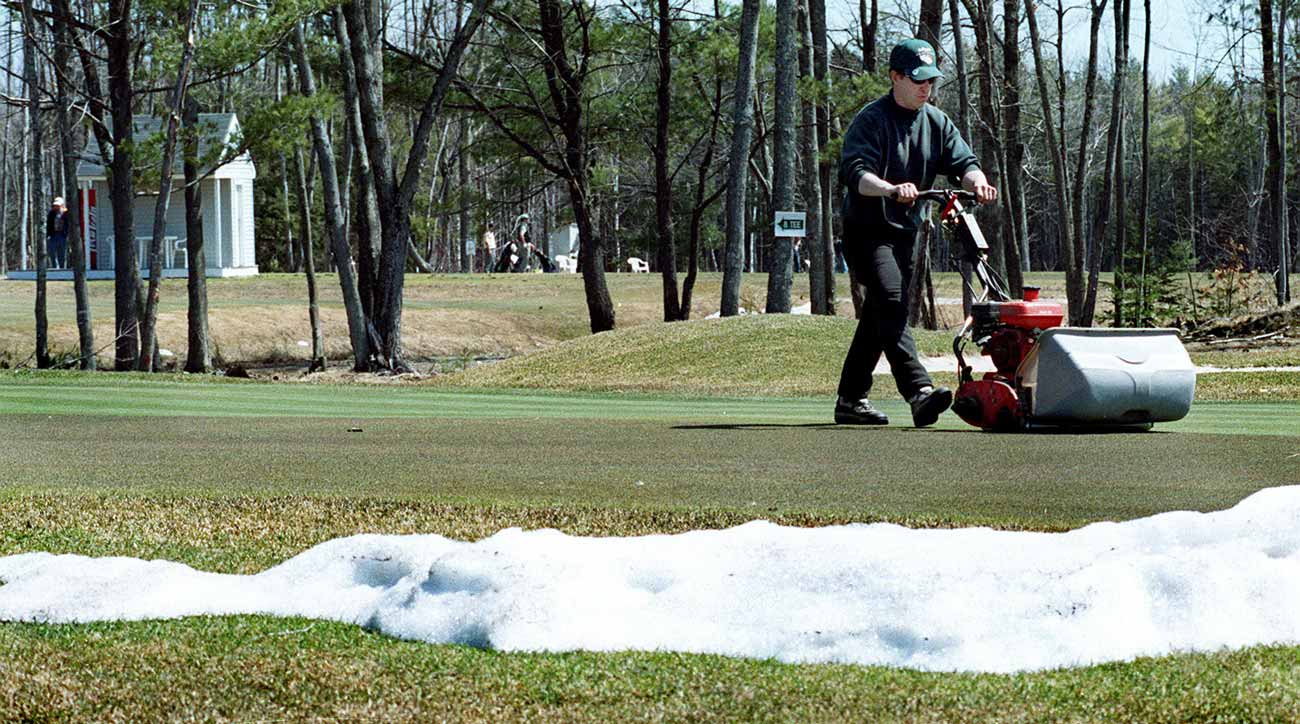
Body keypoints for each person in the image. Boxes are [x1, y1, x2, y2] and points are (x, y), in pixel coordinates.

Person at [834, 38, 998, 427]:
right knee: (890, 300)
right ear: (895, 77)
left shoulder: (936, 122)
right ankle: (919, 390)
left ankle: (850, 400)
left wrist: (977, 181)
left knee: (880, 314)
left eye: (931, 80)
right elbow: (855, 173)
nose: (926, 87)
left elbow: (964, 162)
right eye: (917, 79)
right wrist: (891, 188)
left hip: (905, 234)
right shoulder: (871, 120)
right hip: (867, 231)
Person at [46, 197, 70, 269]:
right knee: (52, 251)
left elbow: (68, 224)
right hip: (53, 235)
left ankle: (62, 268)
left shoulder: (66, 213)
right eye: (55, 205)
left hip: (62, 235)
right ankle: (55, 267)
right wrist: (48, 235)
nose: (56, 207)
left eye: (58, 205)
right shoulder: (51, 213)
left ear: (62, 205)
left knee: (62, 253)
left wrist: (66, 234)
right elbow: (49, 224)